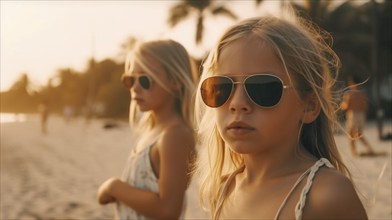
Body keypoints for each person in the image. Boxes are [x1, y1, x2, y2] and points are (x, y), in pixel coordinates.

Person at [194, 15, 368, 220]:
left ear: (309, 107)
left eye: (263, 88)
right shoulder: (223, 189)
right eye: (221, 87)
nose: (237, 103)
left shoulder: (327, 196)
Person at [97, 39, 198, 219]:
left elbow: (168, 210)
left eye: (145, 79)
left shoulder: (175, 135)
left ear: (175, 81)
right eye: (130, 79)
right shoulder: (153, 132)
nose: (135, 87)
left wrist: (114, 187)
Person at [340, 78, 375, 156]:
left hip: (353, 115)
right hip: (361, 115)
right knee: (359, 134)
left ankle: (354, 152)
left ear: (352, 83)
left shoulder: (349, 94)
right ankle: (369, 148)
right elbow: (365, 106)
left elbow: (346, 106)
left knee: (351, 134)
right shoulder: (362, 94)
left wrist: (342, 105)